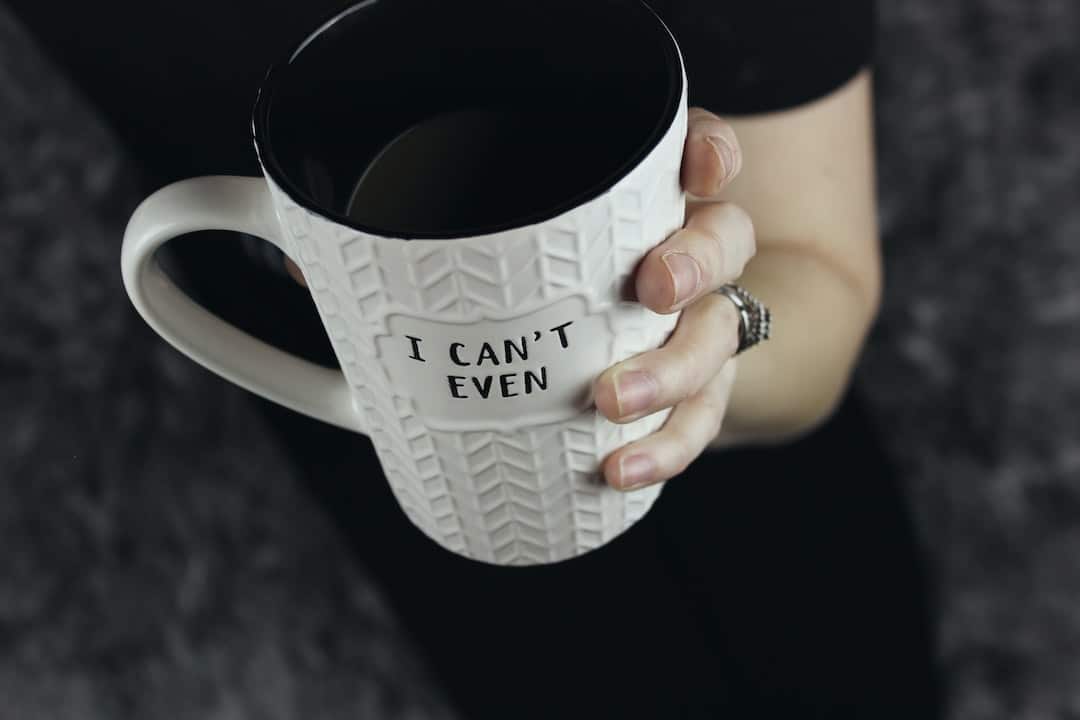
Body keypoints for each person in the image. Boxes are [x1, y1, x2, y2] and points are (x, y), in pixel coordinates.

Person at [9, 0, 944, 716]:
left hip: (743, 458)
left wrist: (724, 344)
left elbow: (818, 272)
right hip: (375, 421)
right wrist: (360, 397)